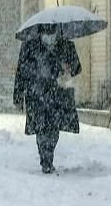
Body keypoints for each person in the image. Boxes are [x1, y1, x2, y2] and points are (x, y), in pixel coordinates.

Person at [13, 25, 80, 174]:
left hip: (58, 94)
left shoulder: (66, 45)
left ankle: (48, 155)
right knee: (41, 128)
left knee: (54, 128)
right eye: (46, 32)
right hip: (36, 95)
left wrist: (68, 67)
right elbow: (21, 72)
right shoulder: (30, 46)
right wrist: (18, 96)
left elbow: (77, 68)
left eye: (52, 32)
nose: (49, 36)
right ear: (40, 32)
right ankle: (46, 159)